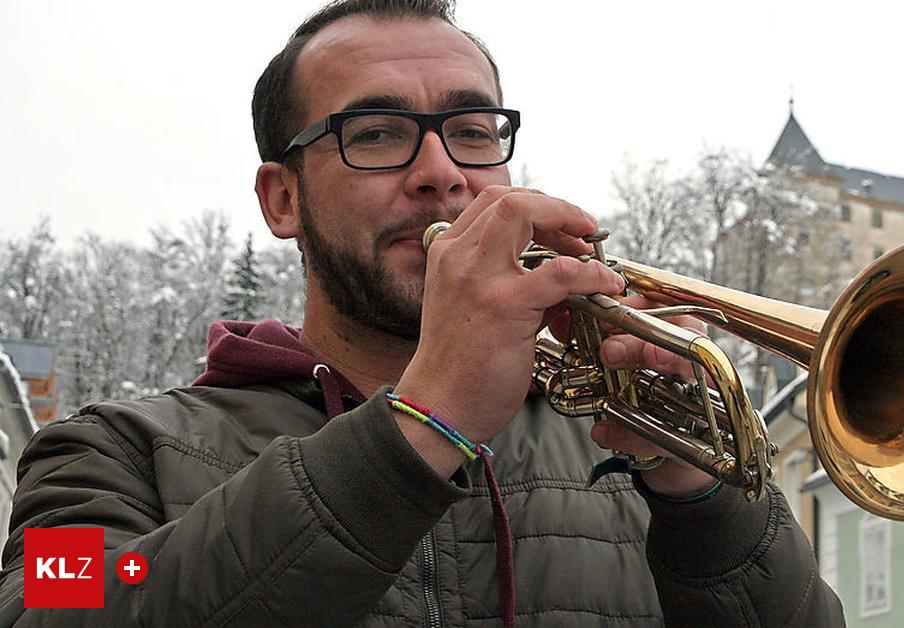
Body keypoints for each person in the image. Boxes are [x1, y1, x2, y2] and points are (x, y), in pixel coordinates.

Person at [0, 1, 844, 625]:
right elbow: (55, 610)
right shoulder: (109, 453)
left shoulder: (620, 448)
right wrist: (426, 417)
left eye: (473, 130)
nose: (442, 172)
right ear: (281, 197)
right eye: (374, 133)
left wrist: (699, 494)